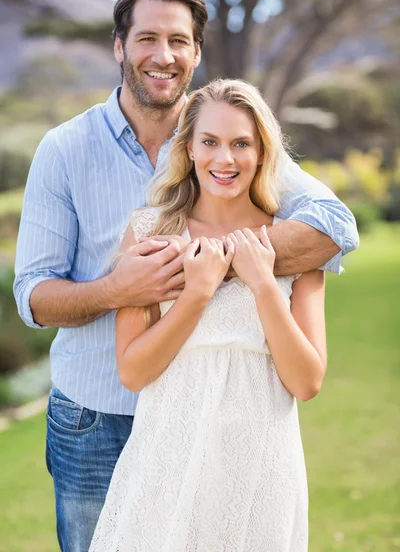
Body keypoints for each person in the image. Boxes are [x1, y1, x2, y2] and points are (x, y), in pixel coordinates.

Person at [13, 0, 358, 552]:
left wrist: (216, 263)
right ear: (120, 46)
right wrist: (122, 287)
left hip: (226, 424)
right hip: (95, 418)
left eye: (178, 41)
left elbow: (335, 227)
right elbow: (33, 296)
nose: (163, 54)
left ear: (196, 54)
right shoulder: (64, 151)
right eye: (147, 38)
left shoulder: (220, 133)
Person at [89, 78, 326, 552]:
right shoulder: (148, 234)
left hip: (261, 468)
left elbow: (306, 382)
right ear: (190, 149)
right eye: (211, 142)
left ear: (262, 152)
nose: (226, 159)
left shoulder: (294, 242)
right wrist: (196, 293)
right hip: (169, 459)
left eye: (242, 144)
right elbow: (134, 372)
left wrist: (262, 284)